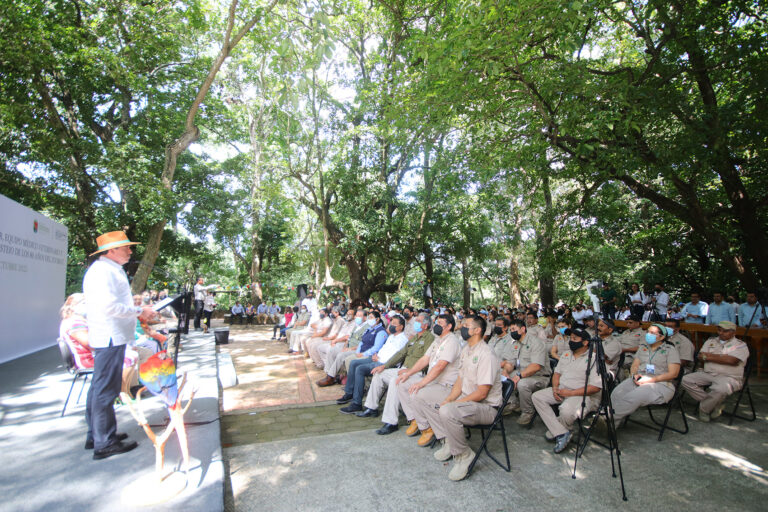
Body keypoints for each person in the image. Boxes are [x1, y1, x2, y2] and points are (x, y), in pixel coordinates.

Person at [82, 231, 154, 459]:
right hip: (110, 336)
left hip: (111, 336)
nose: (130, 251)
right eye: (126, 248)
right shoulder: (103, 272)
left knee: (100, 387)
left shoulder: (108, 270)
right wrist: (140, 310)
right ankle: (105, 442)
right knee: (106, 390)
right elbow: (109, 307)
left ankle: (97, 433)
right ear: (111, 250)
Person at [421, 316, 503, 481]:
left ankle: (463, 455)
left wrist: (454, 404)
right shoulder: (466, 349)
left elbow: (482, 393)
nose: (462, 328)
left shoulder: (486, 354)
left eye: (466, 325)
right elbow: (460, 380)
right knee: (422, 396)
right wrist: (450, 398)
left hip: (486, 407)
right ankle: (447, 440)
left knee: (447, 410)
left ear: (477, 330)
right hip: (467, 401)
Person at [360, 312, 436, 434]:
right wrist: (384, 366)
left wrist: (410, 371)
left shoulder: (430, 339)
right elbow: (401, 354)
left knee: (395, 380)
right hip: (403, 369)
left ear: (425, 326)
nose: (415, 323)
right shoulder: (414, 338)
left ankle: (391, 422)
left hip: (416, 372)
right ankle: (371, 407)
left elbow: (427, 360)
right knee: (379, 374)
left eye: (419, 321)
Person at [531, 328, 602, 454]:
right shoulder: (566, 354)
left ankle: (559, 430)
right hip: (562, 390)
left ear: (585, 342)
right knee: (537, 397)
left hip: (582, 394)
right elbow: (557, 373)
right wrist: (554, 388)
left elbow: (595, 387)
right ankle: (562, 432)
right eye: (570, 338)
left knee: (565, 410)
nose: (571, 341)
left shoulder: (594, 359)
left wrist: (571, 393)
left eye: (575, 339)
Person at [397, 313, 462, 445]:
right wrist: (408, 373)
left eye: (440, 324)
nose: (436, 326)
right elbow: (424, 359)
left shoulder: (452, 342)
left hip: (446, 385)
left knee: (417, 392)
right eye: (436, 322)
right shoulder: (437, 340)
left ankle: (427, 428)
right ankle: (415, 419)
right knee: (402, 383)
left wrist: (421, 383)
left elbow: (440, 366)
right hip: (433, 381)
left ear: (449, 326)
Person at [611, 324, 681, 426]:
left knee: (633, 397)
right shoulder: (643, 347)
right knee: (616, 393)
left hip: (661, 384)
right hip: (639, 379)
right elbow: (635, 365)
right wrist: (634, 375)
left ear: (661, 337)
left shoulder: (670, 350)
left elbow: (673, 374)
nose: (648, 334)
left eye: (652, 333)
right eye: (648, 332)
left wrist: (649, 380)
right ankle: (612, 422)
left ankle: (608, 420)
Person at [338, 315, 409, 414]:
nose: (391, 325)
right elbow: (384, 349)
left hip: (384, 364)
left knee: (360, 369)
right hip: (377, 359)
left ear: (401, 327)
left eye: (394, 324)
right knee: (353, 363)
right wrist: (376, 355)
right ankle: (349, 393)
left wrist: (380, 360)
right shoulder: (392, 336)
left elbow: (395, 357)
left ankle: (356, 404)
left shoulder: (402, 340)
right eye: (391, 323)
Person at [682, 321, 749, 422]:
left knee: (720, 389)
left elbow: (732, 361)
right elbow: (700, 356)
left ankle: (704, 409)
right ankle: (715, 403)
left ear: (733, 332)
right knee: (685, 379)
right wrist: (723, 357)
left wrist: (709, 356)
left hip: (729, 376)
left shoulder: (740, 345)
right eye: (719, 330)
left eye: (725, 331)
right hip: (708, 373)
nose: (721, 333)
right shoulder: (711, 341)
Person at [501, 320, 550, 427]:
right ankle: (513, 402)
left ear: (523, 329)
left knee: (522, 383)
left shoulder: (536, 343)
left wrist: (518, 376)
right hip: (522, 372)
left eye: (514, 329)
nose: (511, 332)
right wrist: (505, 371)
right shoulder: (516, 344)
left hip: (539, 376)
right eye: (510, 330)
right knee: (501, 377)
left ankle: (528, 411)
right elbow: (511, 362)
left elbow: (536, 366)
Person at [316, 309, 372, 386]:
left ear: (365, 318)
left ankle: (330, 377)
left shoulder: (367, 328)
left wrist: (349, 349)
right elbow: (349, 339)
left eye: (359, 316)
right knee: (332, 350)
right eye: (356, 315)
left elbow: (363, 344)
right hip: (349, 347)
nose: (357, 317)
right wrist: (345, 347)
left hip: (357, 349)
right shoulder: (357, 326)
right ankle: (331, 374)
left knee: (341, 355)